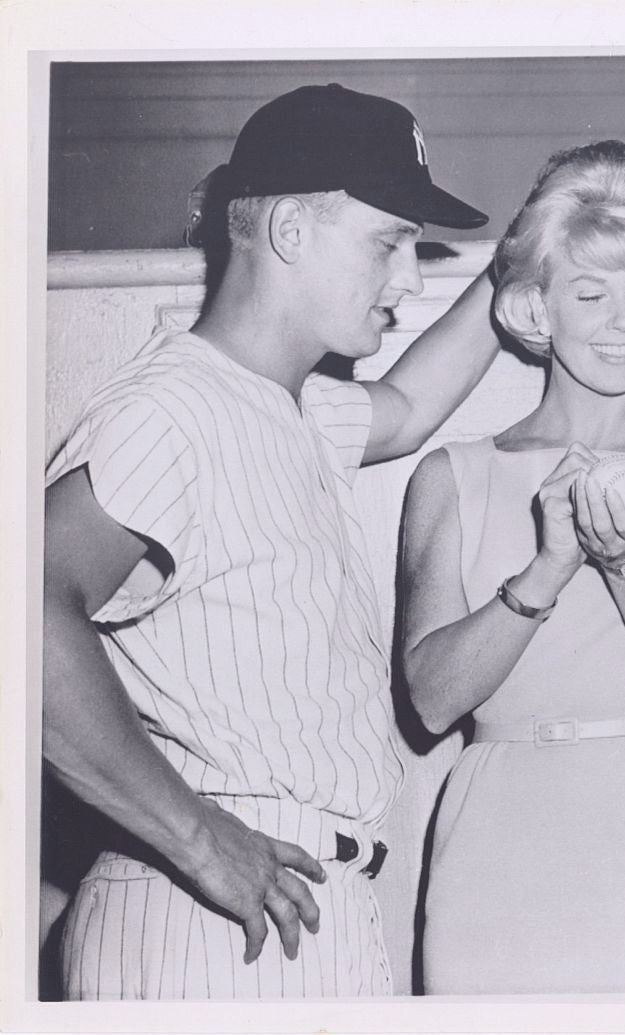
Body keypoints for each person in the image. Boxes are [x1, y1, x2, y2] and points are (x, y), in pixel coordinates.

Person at [43, 83, 500, 999]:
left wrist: (521, 259)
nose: (410, 280)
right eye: (389, 243)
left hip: (299, 912)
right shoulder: (174, 409)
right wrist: (198, 840)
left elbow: (409, 407)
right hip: (208, 926)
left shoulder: (293, 407)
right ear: (291, 229)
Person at [402, 140, 625, 993]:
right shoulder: (452, 475)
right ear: (536, 306)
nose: (623, 323)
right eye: (591, 294)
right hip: (496, 846)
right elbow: (432, 699)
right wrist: (546, 570)